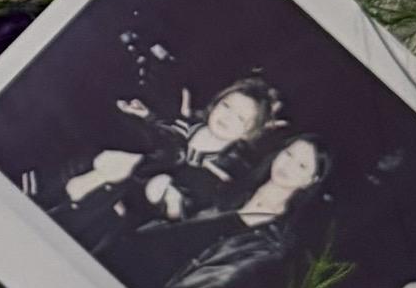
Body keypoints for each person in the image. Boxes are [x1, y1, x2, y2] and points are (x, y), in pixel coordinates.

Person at [33, 69, 281, 262]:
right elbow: (163, 131)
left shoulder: (226, 170)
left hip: (142, 212)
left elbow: (191, 213)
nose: (227, 117)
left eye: (240, 118)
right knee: (102, 164)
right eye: (226, 106)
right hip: (122, 181)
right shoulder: (187, 126)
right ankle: (43, 193)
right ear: (215, 103)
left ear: (248, 132)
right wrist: (145, 115)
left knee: (113, 211)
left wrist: (171, 203)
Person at [140, 132, 334, 288]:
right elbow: (178, 221)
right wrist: (169, 201)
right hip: (141, 261)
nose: (288, 165)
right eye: (289, 154)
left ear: (311, 181)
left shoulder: (272, 244)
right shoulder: (230, 188)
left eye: (302, 166)